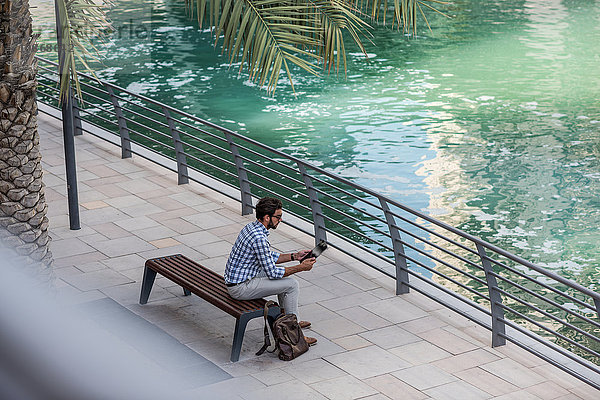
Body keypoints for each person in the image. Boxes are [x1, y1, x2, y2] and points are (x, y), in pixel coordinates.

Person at [224, 197, 318, 345]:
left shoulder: (252, 227)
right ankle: (294, 334)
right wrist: (301, 267)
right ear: (267, 217)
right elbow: (273, 273)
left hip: (240, 279)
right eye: (278, 217)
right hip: (240, 288)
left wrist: (295, 256)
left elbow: (268, 257)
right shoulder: (259, 238)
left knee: (284, 281)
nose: (280, 220)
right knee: (291, 285)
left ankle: (291, 322)